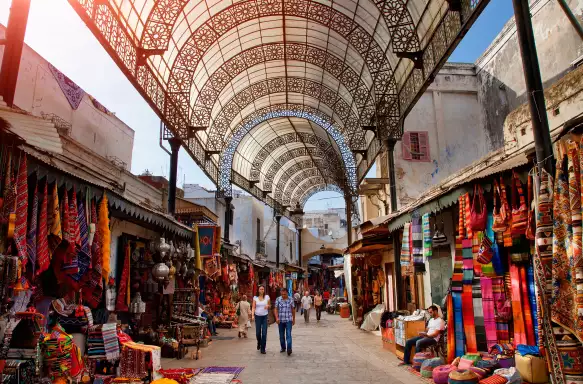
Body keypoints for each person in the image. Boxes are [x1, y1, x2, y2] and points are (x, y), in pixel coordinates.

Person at [274, 288, 296, 356]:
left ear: (287, 293)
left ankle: (289, 348)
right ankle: (283, 347)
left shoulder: (291, 299)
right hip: (280, 320)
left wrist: (294, 319)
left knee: (288, 334)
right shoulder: (278, 299)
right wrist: (276, 318)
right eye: (282, 294)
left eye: (284, 294)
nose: (283, 295)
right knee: (281, 335)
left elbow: (293, 309)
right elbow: (276, 309)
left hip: (288, 320)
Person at [251, 285, 270, 354]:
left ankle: (263, 348)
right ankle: (259, 342)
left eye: (262, 289)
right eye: (260, 289)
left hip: (265, 317)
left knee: (264, 333)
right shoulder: (255, 298)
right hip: (257, 316)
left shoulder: (267, 297)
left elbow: (269, 305)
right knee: (258, 333)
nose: (261, 290)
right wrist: (252, 315)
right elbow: (253, 307)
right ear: (258, 290)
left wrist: (268, 306)